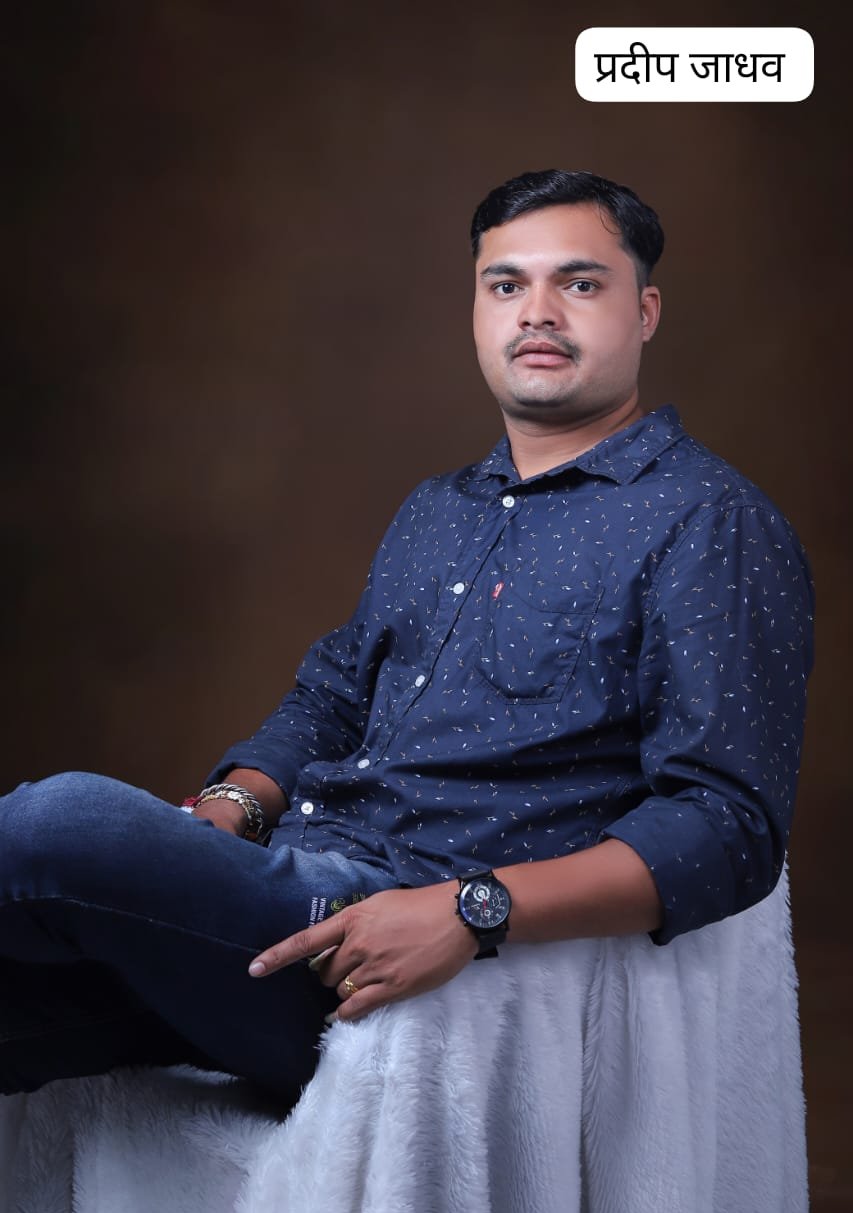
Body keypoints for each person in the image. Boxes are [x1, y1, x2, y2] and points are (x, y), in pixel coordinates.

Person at [0, 169, 814, 1102]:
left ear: (644, 312)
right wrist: (233, 805)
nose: (536, 312)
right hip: (275, 884)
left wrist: (472, 911)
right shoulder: (438, 508)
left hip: (381, 931)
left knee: (61, 824)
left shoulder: (709, 521)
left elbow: (726, 826)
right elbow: (333, 691)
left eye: (580, 283)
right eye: (505, 284)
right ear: (476, 309)